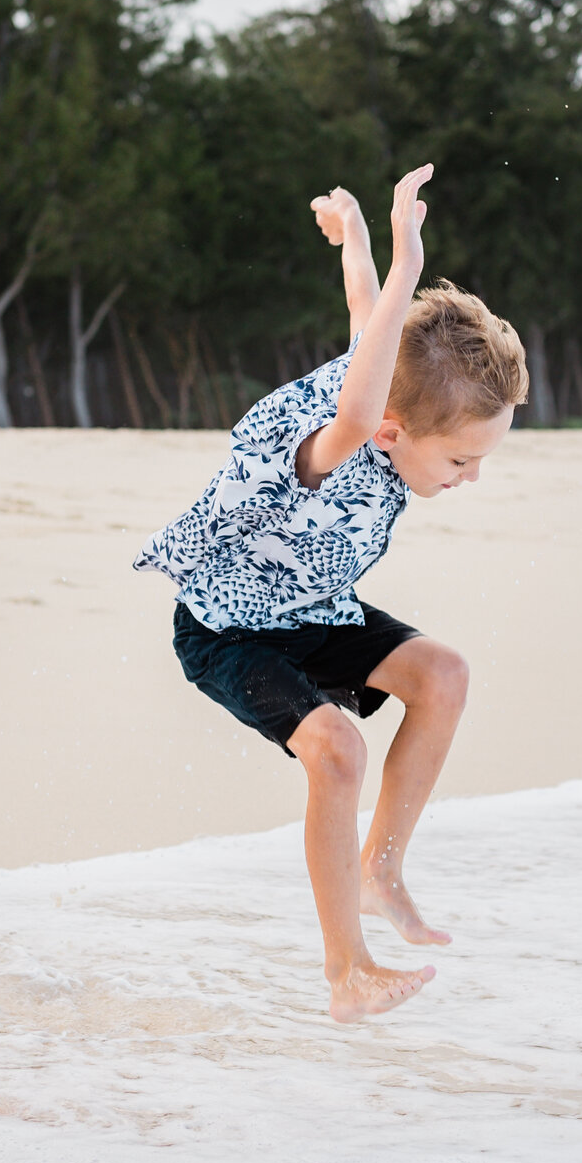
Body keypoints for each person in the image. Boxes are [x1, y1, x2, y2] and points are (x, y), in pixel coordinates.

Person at [135, 165, 529, 1022]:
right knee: (338, 750)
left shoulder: (387, 396)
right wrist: (404, 262)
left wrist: (353, 237)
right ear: (390, 431)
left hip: (315, 611)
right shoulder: (342, 437)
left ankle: (382, 869)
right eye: (461, 459)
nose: (469, 479)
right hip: (231, 631)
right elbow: (356, 398)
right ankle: (346, 970)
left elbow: (367, 330)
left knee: (444, 673)